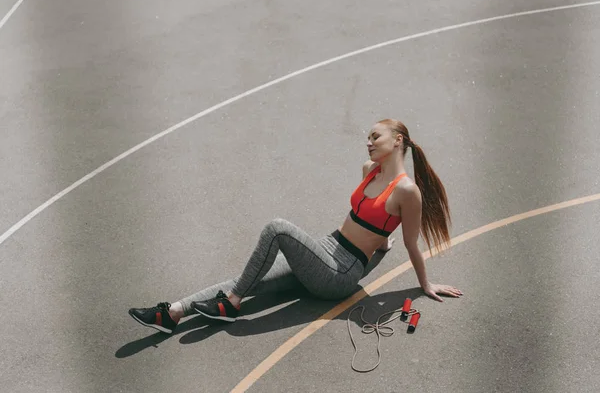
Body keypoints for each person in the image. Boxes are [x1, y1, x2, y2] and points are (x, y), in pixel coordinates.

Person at [129, 119, 463, 334]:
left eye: (375, 137)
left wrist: (425, 285)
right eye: (368, 138)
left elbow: (409, 243)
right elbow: (371, 222)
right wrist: (379, 242)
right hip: (325, 250)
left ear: (398, 140)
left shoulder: (407, 190)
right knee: (250, 277)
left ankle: (230, 306)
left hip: (339, 274)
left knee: (278, 228)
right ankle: (172, 312)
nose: (369, 142)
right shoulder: (369, 170)